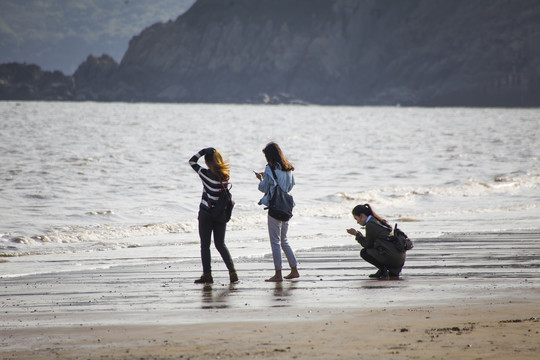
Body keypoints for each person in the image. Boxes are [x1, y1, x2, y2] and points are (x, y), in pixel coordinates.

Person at [189, 147, 238, 284]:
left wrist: (202, 151)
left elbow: (192, 162)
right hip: (220, 214)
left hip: (206, 213)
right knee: (220, 244)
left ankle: (207, 275)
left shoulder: (205, 174)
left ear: (207, 161)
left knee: (205, 245)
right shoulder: (225, 175)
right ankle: (232, 271)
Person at [255, 142, 300, 282]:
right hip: (286, 206)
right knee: (284, 241)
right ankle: (294, 270)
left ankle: (278, 274)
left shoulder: (270, 168)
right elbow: (291, 185)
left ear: (270, 156)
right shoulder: (288, 168)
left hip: (275, 207)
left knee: (275, 242)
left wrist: (261, 179)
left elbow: (263, 188)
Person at [346, 203, 406, 279]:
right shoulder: (376, 221)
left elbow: (367, 245)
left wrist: (356, 235)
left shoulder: (370, 224)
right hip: (399, 258)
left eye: (356, 218)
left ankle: (383, 270)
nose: (357, 222)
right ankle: (386, 270)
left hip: (393, 257)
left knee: (364, 252)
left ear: (361, 216)